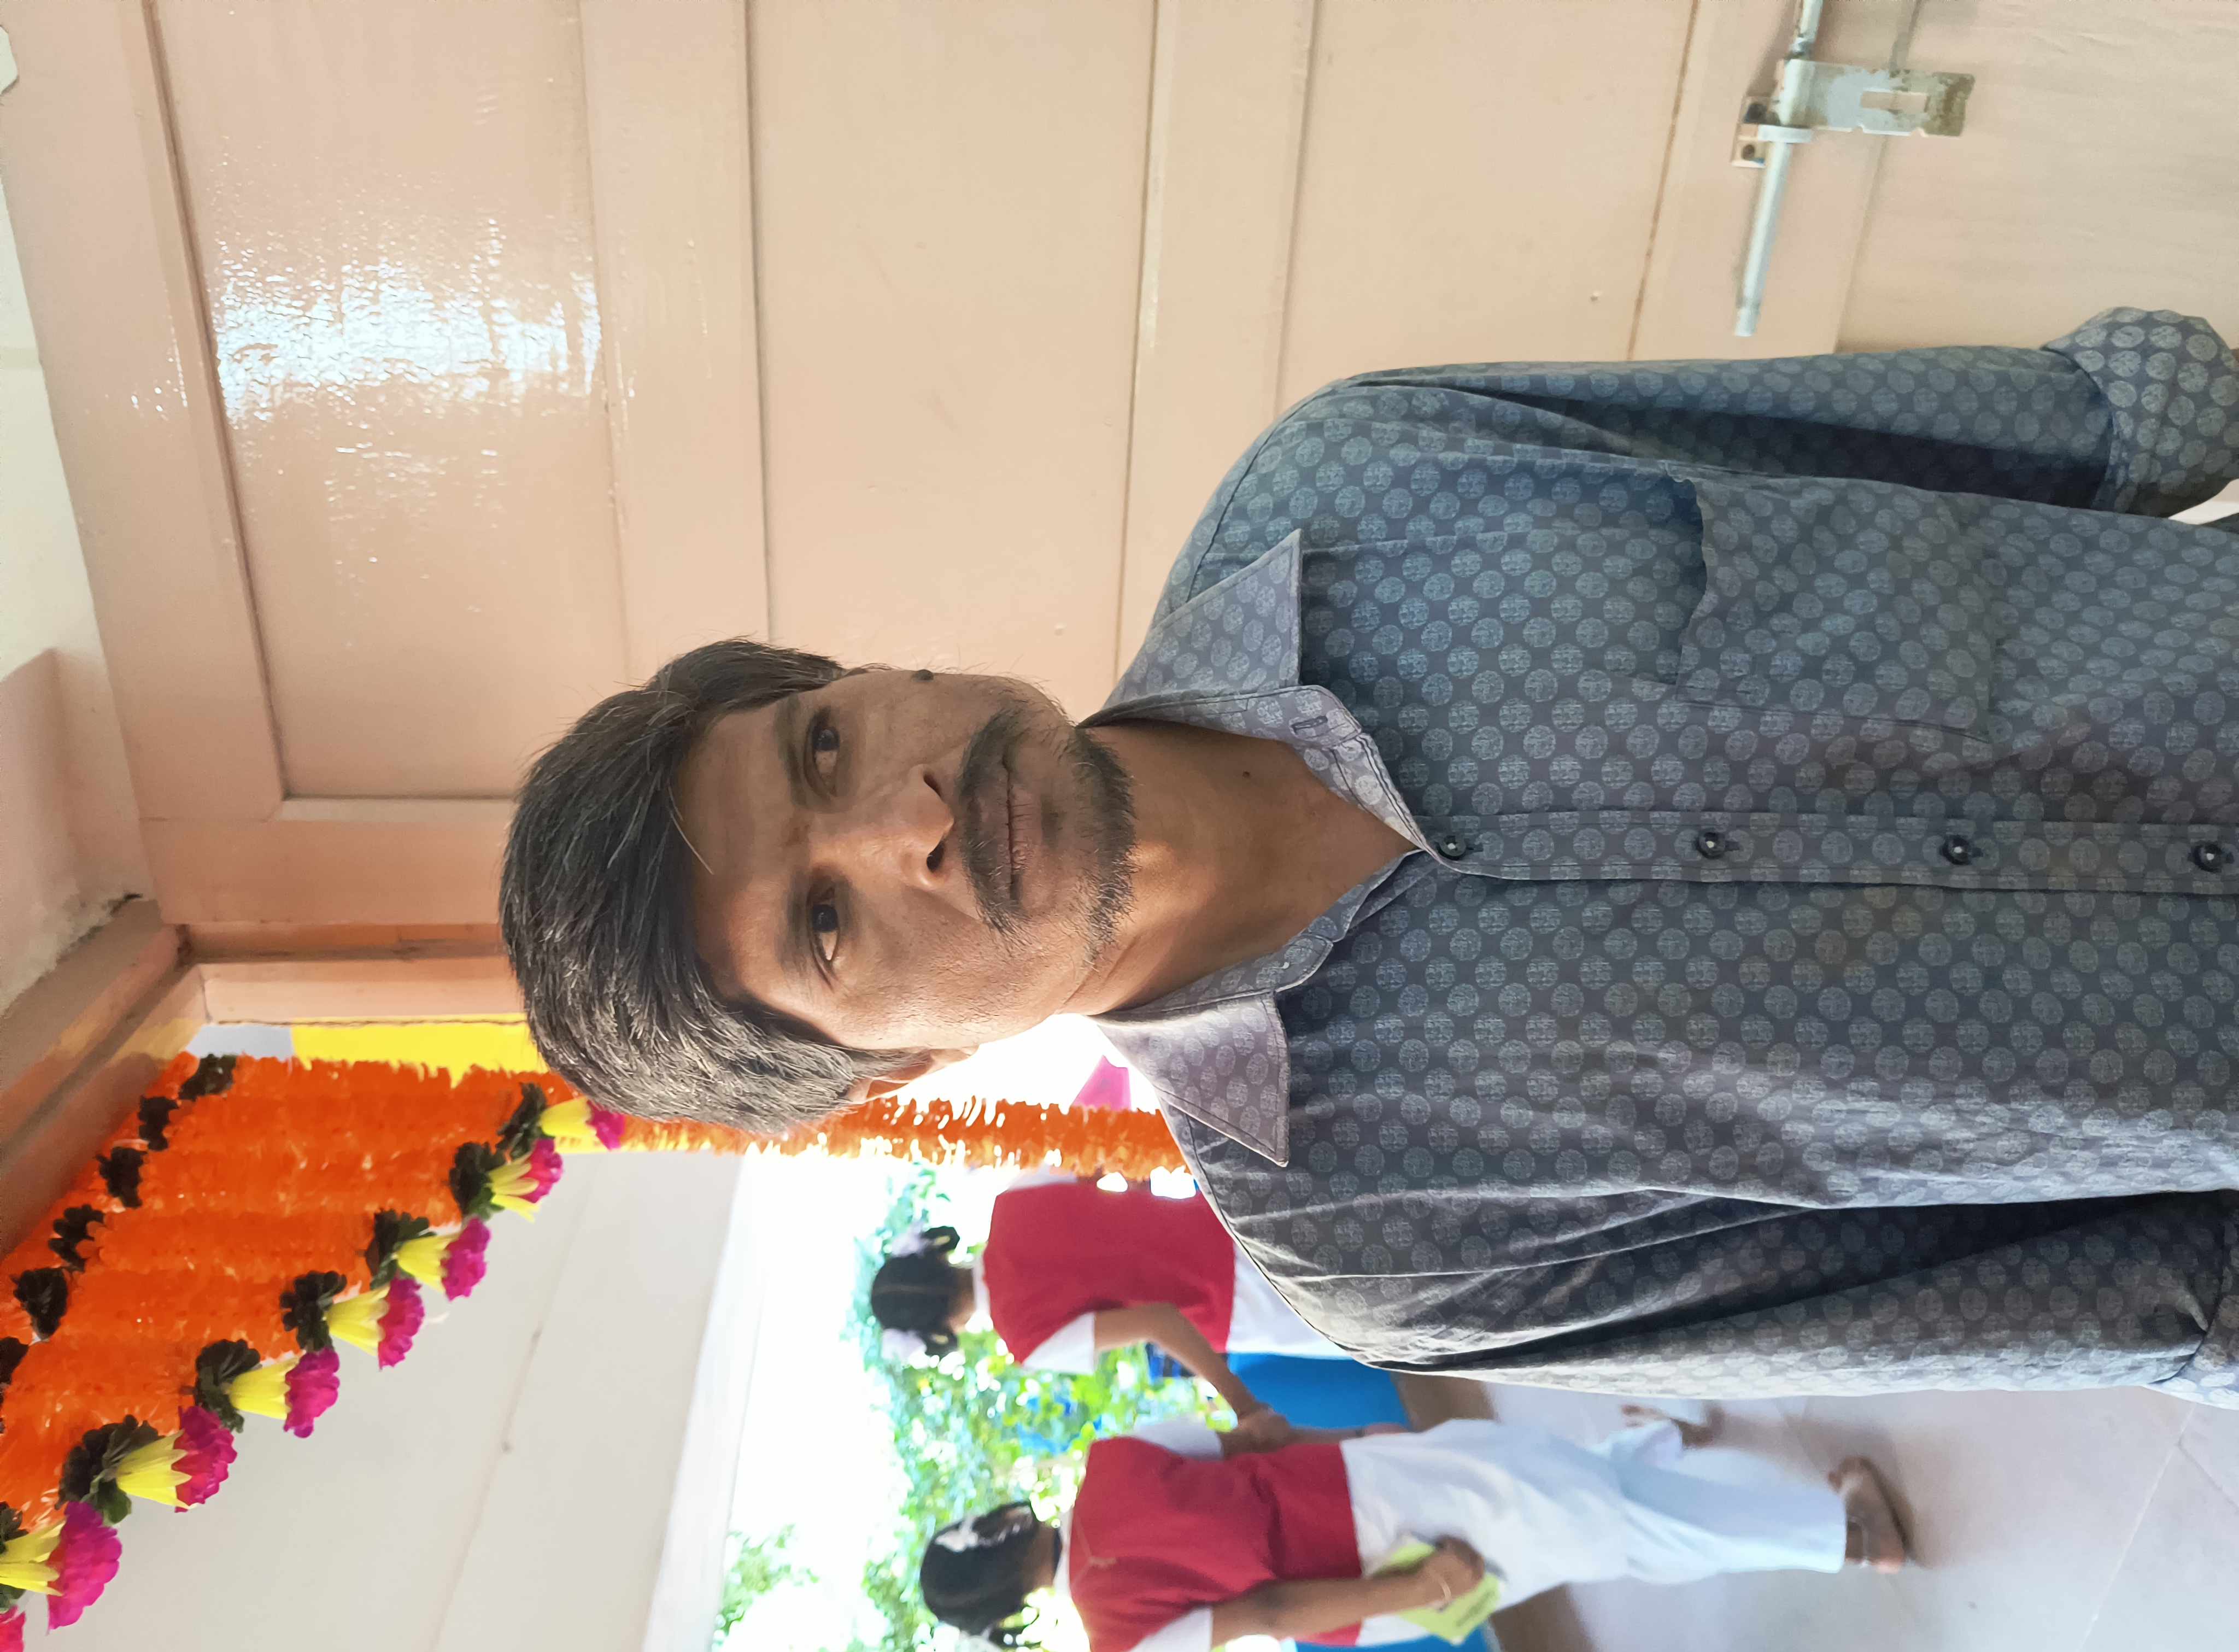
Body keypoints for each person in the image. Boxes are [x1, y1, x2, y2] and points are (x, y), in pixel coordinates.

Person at [501, 306, 2239, 1407]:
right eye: (827, 921)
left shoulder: (1364, 483)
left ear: (864, 674)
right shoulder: (1385, 1243)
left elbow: (2064, 428)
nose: (910, 822)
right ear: (898, 1066)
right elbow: (2110, 1299)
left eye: (824, 747)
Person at [916, 1407, 1906, 1652]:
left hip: (1367, 1594)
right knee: (1584, 1519)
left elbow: (1267, 1616)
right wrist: (1361, 1439)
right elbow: (1262, 1441)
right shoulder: (1109, 1461)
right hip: (1368, 1502)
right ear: (993, 1529)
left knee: (1566, 1513)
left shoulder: (1116, 1646)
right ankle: (1851, 1537)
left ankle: (1657, 1445)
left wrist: (1413, 1592)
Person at [868, 1173, 1347, 1420]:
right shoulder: (1014, 1199)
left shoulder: (1027, 1340)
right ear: (933, 1254)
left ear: (938, 1332)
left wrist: (1246, 1407)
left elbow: (1159, 1321)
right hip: (1230, 1212)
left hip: (1246, 1306)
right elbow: (1116, 1149)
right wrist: (1142, 1208)